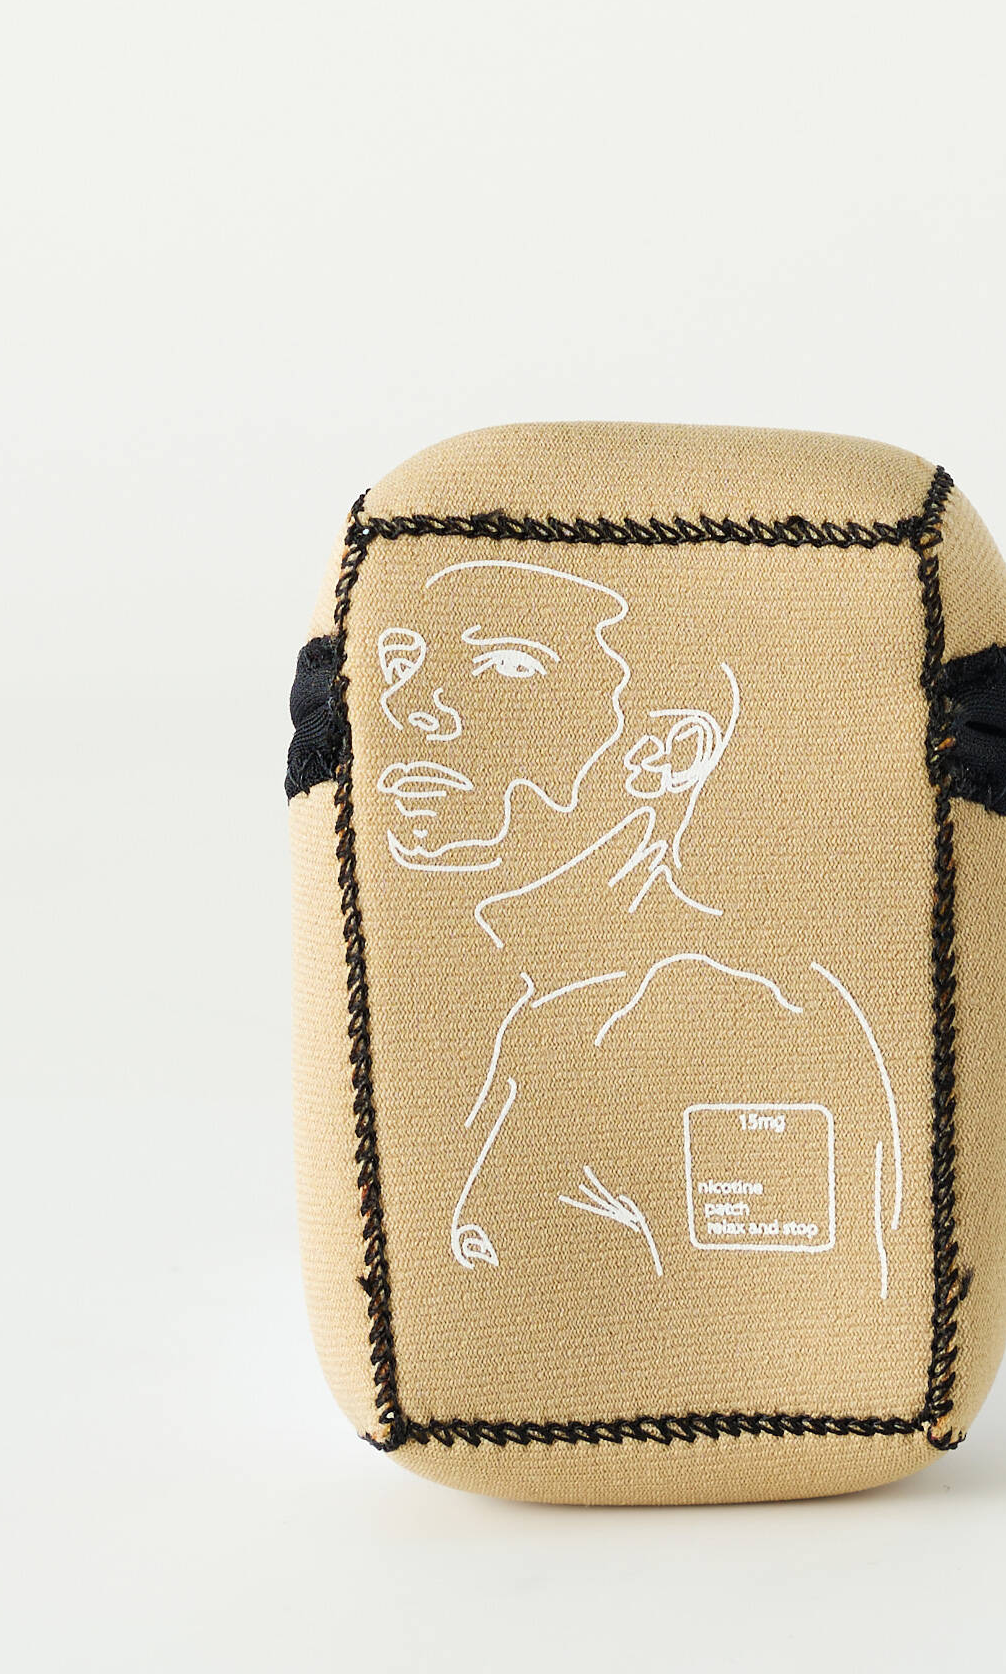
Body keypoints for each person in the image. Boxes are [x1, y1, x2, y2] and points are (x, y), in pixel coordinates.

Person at [372, 557, 905, 1305]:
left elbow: (818, 1341)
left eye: (506, 665)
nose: (407, 706)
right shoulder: (542, 1020)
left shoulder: (746, 1019)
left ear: (669, 754)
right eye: (403, 663)